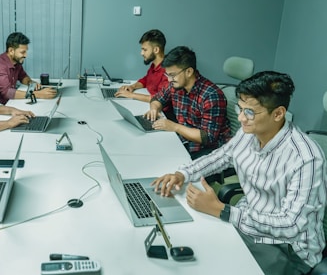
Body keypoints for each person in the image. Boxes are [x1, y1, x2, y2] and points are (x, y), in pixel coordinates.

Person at [151, 71, 326, 275]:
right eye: (240, 109)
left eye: (249, 112)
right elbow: (222, 156)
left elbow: (291, 226)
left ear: (278, 114)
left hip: (287, 248)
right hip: (247, 221)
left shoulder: (307, 158)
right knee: (193, 248)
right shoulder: (248, 132)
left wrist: (224, 211)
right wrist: (182, 174)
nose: (241, 118)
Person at [145, 46, 231, 159]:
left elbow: (207, 137)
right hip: (184, 141)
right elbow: (157, 99)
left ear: (189, 71)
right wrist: (154, 109)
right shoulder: (175, 85)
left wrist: (175, 127)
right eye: (167, 75)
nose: (169, 80)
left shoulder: (211, 95)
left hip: (209, 151)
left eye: (172, 75)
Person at [0, 32, 57, 104]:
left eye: (26, 52)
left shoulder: (16, 62)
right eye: (22, 52)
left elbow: (23, 76)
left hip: (8, 103)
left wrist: (31, 83)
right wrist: (39, 94)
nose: (26, 55)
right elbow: (7, 92)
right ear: (11, 51)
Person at [115, 29, 170, 103]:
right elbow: (146, 80)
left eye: (145, 50)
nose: (141, 53)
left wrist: (131, 95)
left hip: (162, 112)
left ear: (156, 50)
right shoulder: (154, 65)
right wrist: (132, 87)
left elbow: (159, 98)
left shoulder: (169, 71)